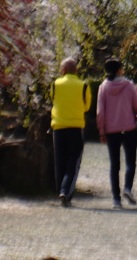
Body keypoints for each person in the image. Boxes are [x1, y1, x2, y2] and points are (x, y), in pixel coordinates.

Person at [96, 57, 137, 209]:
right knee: (131, 161)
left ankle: (116, 199)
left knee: (114, 164)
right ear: (119, 70)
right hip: (128, 128)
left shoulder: (103, 87)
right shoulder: (129, 85)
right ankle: (128, 188)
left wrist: (102, 131)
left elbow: (100, 113)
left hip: (111, 130)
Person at [50, 57, 90, 207]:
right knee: (73, 160)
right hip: (76, 126)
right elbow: (87, 107)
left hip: (58, 127)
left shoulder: (55, 85)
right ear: (76, 70)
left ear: (63, 70)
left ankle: (61, 190)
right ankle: (66, 191)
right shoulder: (84, 86)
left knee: (59, 160)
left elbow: (53, 100)